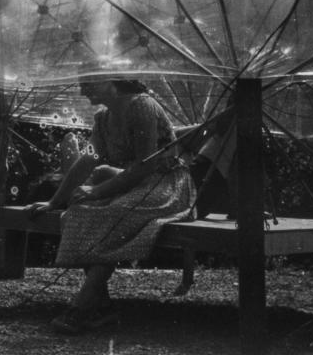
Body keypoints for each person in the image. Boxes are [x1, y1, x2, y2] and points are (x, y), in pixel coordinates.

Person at [26, 76, 196, 334]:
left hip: (166, 185)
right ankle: (103, 308)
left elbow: (146, 165)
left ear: (112, 80)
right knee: (79, 211)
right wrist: (54, 201)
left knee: (112, 213)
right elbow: (87, 160)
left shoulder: (142, 106)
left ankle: (82, 307)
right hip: (132, 183)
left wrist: (97, 190)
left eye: (89, 83)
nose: (83, 90)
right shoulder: (103, 119)